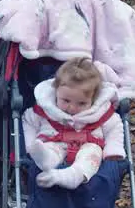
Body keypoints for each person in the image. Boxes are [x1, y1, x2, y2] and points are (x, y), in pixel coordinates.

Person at [22, 58, 124, 190]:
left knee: (92, 154)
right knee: (49, 149)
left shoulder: (100, 112)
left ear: (93, 99)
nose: (72, 108)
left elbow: (114, 128)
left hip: (88, 144)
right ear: (56, 91)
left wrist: (113, 150)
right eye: (66, 100)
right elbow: (28, 120)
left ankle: (74, 176)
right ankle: (45, 160)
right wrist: (30, 145)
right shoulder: (45, 109)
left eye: (81, 103)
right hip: (54, 141)